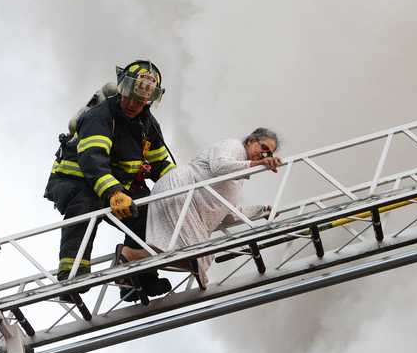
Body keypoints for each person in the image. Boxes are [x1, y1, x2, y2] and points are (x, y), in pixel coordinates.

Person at [44, 60, 176, 300]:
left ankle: (135, 278)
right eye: (131, 96)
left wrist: (183, 187)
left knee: (149, 212)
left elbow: (161, 165)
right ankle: (72, 279)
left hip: (118, 186)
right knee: (84, 210)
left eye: (142, 100)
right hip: (78, 180)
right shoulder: (100, 116)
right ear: (122, 88)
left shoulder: (149, 125)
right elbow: (93, 159)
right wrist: (114, 192)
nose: (135, 104)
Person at [137, 128, 282, 287]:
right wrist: (258, 163)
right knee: (198, 255)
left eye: (269, 154)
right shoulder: (233, 146)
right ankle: (133, 258)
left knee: (200, 257)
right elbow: (219, 166)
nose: (264, 155)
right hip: (180, 191)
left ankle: (132, 259)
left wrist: (262, 211)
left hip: (187, 203)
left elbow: (227, 214)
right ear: (250, 140)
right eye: (264, 148)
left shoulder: (238, 179)